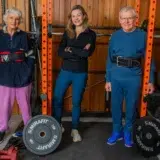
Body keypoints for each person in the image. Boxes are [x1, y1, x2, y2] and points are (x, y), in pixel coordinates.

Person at [105, 6, 155, 147]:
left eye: (129, 18)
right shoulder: (115, 36)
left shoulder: (143, 36)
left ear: (135, 19)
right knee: (115, 106)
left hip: (134, 76)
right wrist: (108, 79)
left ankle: (128, 133)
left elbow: (149, 60)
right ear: (119, 20)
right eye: (123, 18)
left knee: (132, 106)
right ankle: (116, 131)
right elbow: (109, 58)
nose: (126, 21)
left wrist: (150, 81)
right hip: (115, 75)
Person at [53, 5, 96, 142]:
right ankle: (58, 125)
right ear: (71, 19)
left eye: (78, 15)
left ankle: (75, 129)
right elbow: (60, 52)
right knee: (57, 98)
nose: (76, 18)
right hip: (65, 71)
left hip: (80, 73)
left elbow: (87, 53)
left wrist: (70, 49)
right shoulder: (68, 32)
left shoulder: (91, 34)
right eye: (73, 16)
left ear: (83, 16)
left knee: (76, 102)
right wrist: (77, 51)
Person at [0, 8, 35, 143]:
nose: (14, 21)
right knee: (4, 106)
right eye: (11, 18)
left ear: (19, 21)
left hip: (23, 77)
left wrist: (28, 71)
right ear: (6, 20)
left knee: (25, 106)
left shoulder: (24, 36)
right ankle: (2, 129)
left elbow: (31, 55)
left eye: (17, 19)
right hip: (5, 77)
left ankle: (30, 129)